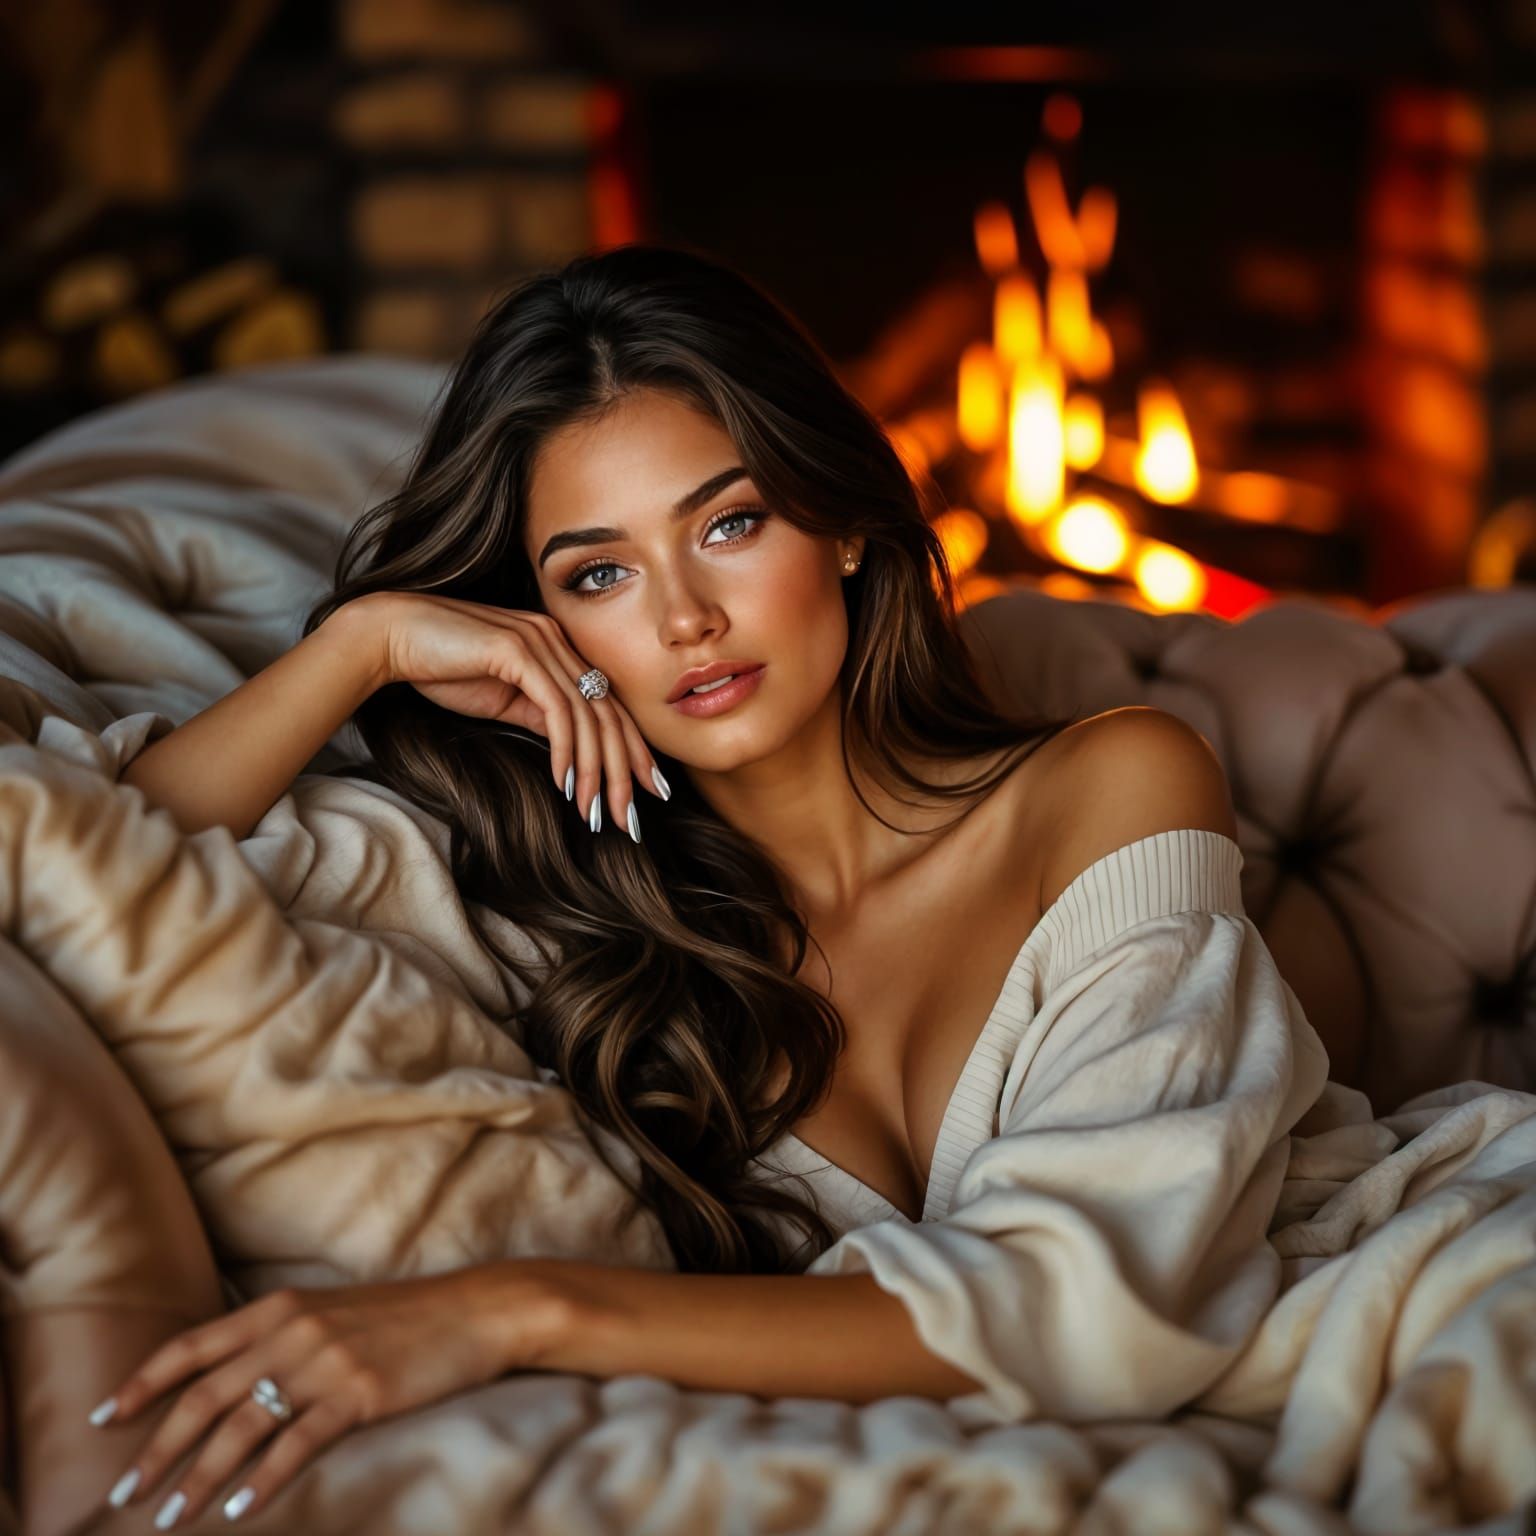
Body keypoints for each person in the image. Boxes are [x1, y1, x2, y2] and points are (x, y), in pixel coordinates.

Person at [92, 242, 1329, 1528]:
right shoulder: (550, 906)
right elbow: (97, 882)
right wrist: (365, 647)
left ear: (845, 522)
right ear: (540, 621)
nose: (684, 618)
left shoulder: (1110, 787)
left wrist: (517, 1311)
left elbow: (1087, 1303)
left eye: (728, 523)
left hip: (1364, 1315)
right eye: (599, 574)